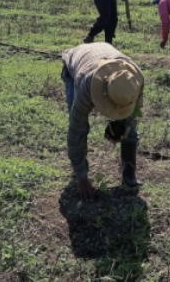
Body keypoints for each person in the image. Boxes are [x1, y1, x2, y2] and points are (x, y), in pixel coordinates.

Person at [61, 42, 144, 201]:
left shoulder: (135, 80)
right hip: (77, 64)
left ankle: (129, 174)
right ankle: (79, 171)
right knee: (81, 126)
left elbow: (134, 114)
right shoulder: (86, 84)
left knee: (131, 132)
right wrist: (82, 178)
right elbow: (75, 131)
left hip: (104, 53)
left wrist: (125, 129)